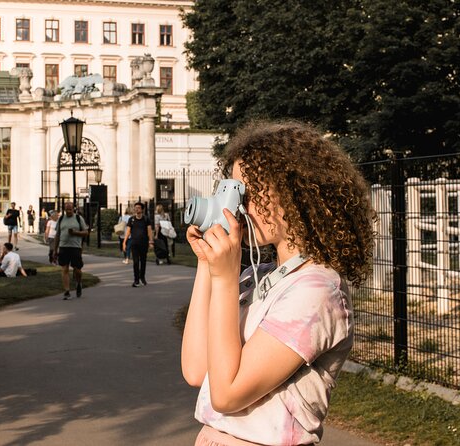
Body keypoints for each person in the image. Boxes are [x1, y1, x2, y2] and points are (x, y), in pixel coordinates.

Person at [181, 121, 375, 446]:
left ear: (293, 193)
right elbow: (196, 370)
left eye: (249, 192)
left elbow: (227, 396)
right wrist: (207, 264)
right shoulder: (256, 278)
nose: (239, 206)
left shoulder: (317, 292)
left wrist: (225, 278)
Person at [52, 202, 89, 299]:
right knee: (65, 269)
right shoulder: (61, 219)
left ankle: (78, 283)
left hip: (75, 247)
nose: (68, 211)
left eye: (70, 209)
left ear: (73, 209)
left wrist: (75, 232)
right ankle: (67, 291)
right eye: (66, 209)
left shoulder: (78, 218)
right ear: (64, 209)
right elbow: (57, 235)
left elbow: (86, 232)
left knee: (77, 270)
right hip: (63, 247)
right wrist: (55, 250)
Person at [122, 202, 154, 287]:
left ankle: (142, 277)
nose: (137, 209)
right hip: (134, 243)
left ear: (142, 209)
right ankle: (136, 280)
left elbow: (149, 231)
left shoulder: (146, 219)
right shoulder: (131, 219)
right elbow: (128, 231)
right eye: (135, 207)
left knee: (143, 261)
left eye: (139, 208)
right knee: (135, 262)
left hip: (143, 243)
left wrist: (151, 241)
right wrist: (124, 242)